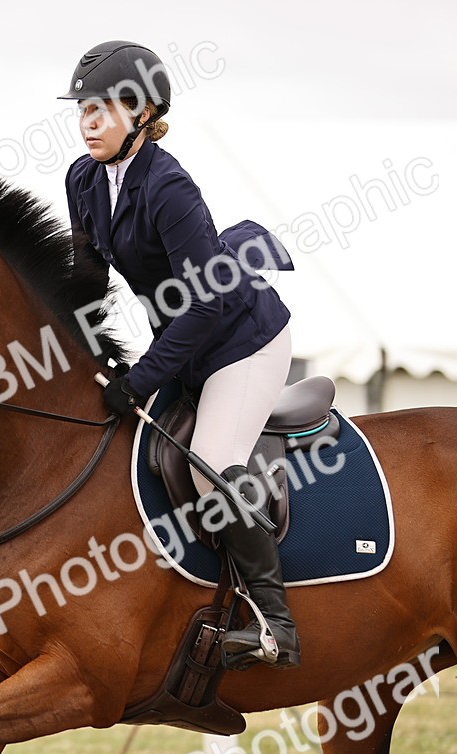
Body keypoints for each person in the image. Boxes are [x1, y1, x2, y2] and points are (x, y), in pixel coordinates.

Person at [59, 40, 299, 669]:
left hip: (240, 340)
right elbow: (86, 281)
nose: (88, 121)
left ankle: (275, 624)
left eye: (103, 108)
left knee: (211, 464)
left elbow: (208, 306)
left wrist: (140, 380)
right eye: (83, 108)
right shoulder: (83, 179)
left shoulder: (169, 188)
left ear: (142, 112)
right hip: (183, 344)